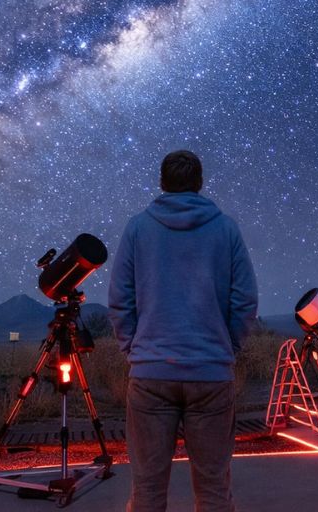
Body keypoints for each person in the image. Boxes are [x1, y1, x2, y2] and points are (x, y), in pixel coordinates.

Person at [109, 150, 259, 512]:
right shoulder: (226, 228)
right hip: (210, 373)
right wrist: (226, 349)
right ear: (200, 183)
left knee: (147, 487)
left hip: (150, 374)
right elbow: (245, 301)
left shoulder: (138, 228)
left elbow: (120, 300)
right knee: (213, 489)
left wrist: (135, 350)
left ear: (162, 183)